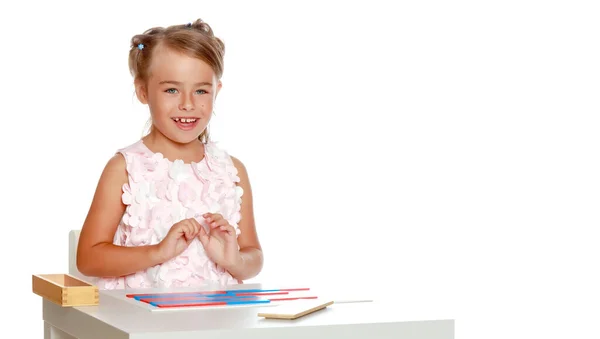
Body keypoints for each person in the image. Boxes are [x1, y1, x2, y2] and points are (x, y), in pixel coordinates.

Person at [76, 19, 263, 289]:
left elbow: (254, 256)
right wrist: (157, 252)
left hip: (217, 321)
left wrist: (234, 261)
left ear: (216, 91)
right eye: (171, 90)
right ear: (143, 91)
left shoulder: (232, 171)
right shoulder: (125, 168)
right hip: (142, 323)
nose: (187, 104)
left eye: (201, 90)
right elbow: (88, 259)